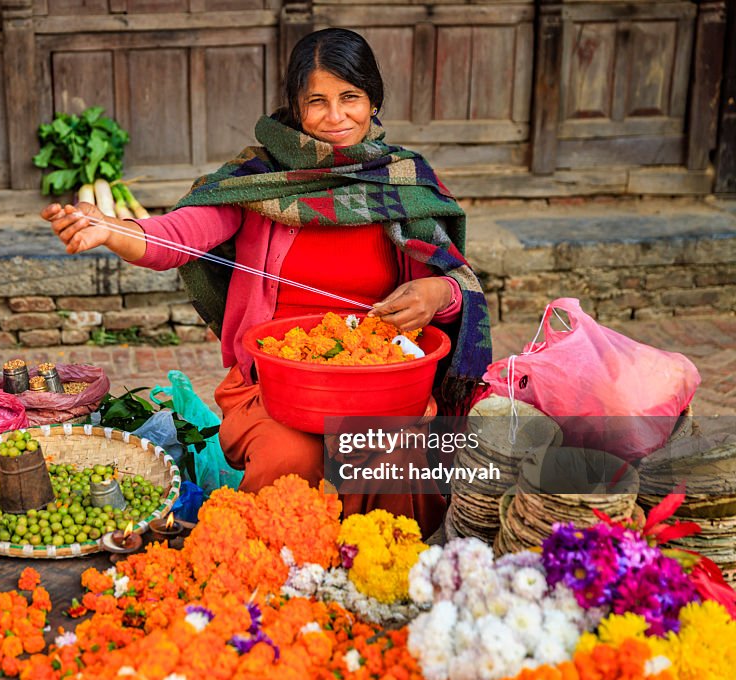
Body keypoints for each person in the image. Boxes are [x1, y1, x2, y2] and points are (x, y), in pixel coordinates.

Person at [42, 28, 492, 537]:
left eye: (351, 98)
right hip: (274, 385)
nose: (336, 116)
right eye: (317, 102)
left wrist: (438, 294)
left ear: (373, 101)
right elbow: (178, 237)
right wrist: (111, 230)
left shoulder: (402, 181)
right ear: (296, 107)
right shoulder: (258, 180)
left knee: (394, 453)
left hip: (379, 382)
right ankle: (270, 579)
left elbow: (455, 281)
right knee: (289, 454)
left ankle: (374, 577)